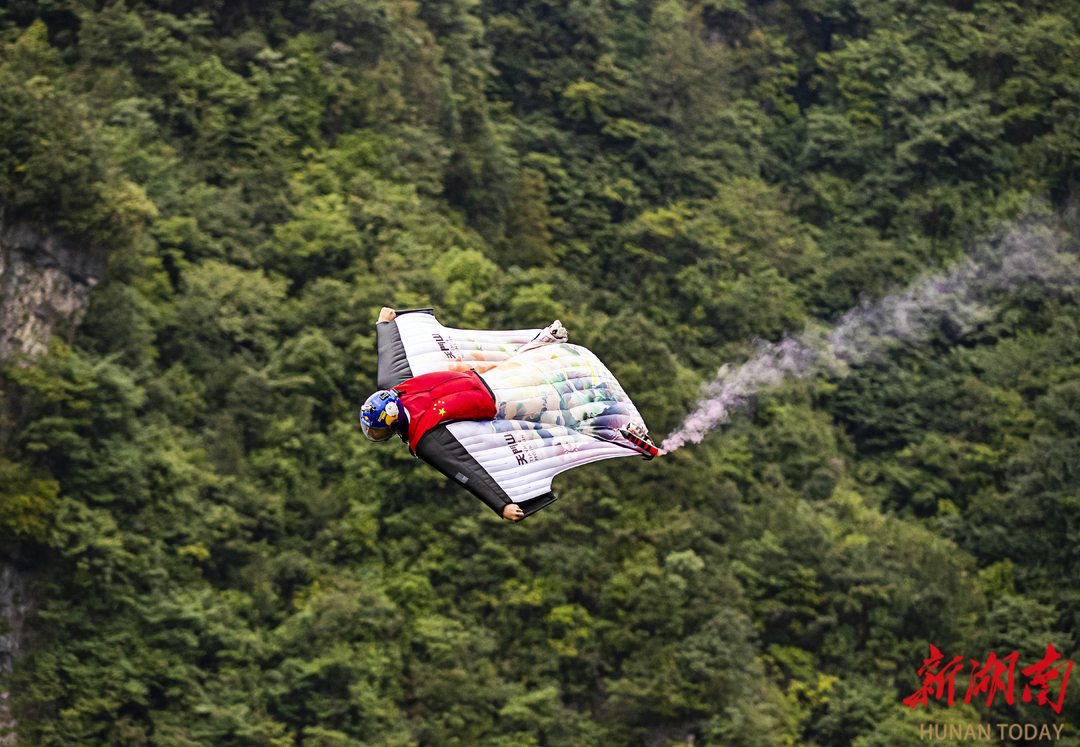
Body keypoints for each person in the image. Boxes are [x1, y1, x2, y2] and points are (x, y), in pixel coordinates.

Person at [361, 308, 570, 521]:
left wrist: (501, 504)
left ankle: (553, 354)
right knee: (510, 366)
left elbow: (463, 471)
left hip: (497, 398)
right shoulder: (393, 383)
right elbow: (389, 351)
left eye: (378, 431)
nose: (373, 433)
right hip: (475, 377)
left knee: (549, 400)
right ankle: (545, 339)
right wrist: (384, 325)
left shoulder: (425, 439)